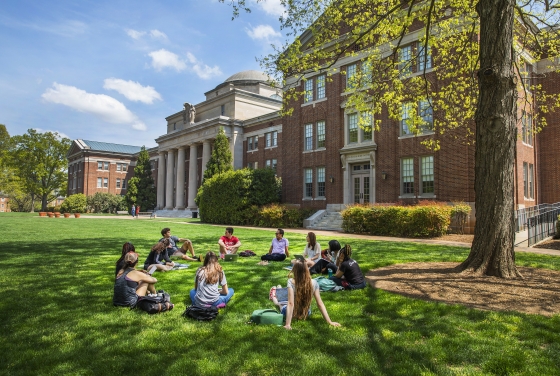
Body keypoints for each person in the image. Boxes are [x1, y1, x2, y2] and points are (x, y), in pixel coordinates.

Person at [271, 260, 340, 330]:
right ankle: (279, 289)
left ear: (295, 271)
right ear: (307, 270)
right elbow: (320, 303)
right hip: (306, 313)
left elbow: (291, 303)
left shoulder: (291, 281)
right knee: (286, 296)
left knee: (280, 303)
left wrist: (288, 324)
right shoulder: (314, 283)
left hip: (294, 314)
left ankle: (274, 295)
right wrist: (329, 321)